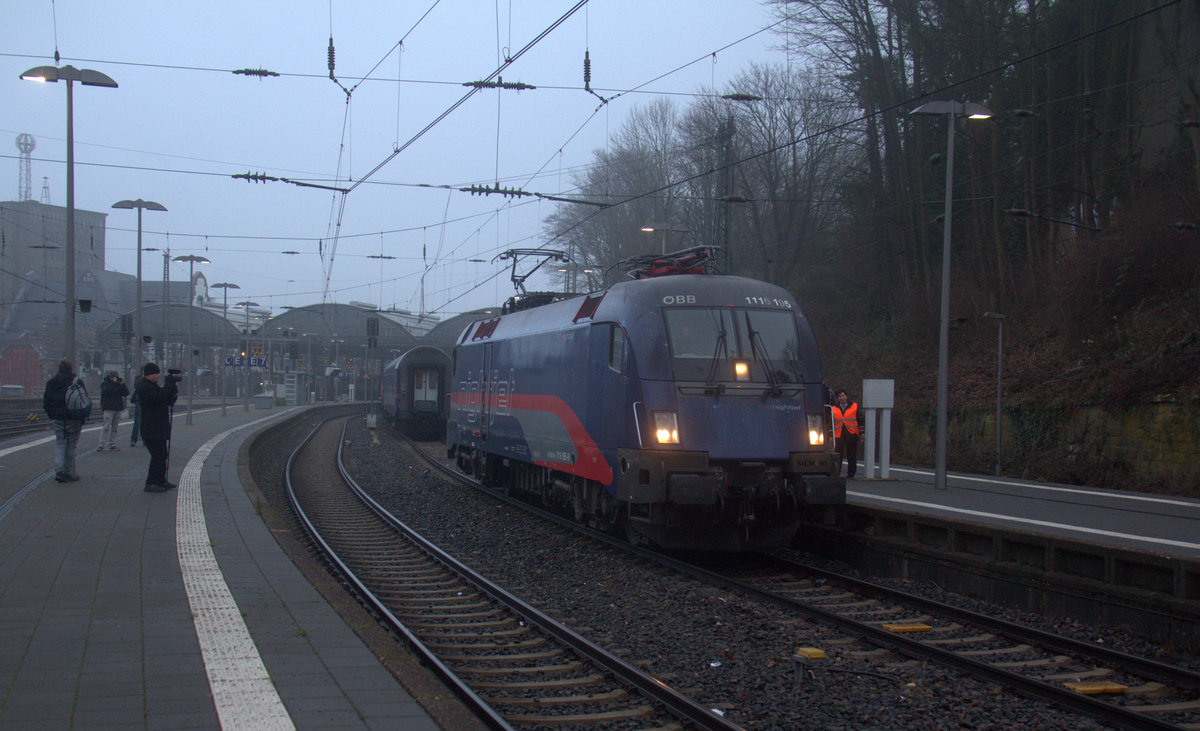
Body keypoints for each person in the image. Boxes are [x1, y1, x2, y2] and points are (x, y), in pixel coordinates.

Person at [136, 362, 179, 492]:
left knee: (162, 454)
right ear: (148, 374)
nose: (157, 376)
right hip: (151, 428)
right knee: (158, 455)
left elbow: (166, 399)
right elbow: (160, 398)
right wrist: (168, 385)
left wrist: (172, 390)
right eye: (155, 373)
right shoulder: (144, 387)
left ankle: (160, 480)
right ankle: (151, 483)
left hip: (158, 427)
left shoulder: (152, 386)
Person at [43, 359, 84, 483]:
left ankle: (59, 471)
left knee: (60, 443)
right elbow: (83, 400)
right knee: (71, 445)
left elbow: (46, 401)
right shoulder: (76, 381)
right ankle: (68, 472)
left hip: (58, 418)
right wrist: (82, 417)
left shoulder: (52, 382)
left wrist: (52, 414)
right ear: (71, 369)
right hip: (73, 417)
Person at [831, 388, 865, 479]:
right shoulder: (833, 409)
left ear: (846, 396)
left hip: (852, 434)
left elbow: (860, 420)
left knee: (852, 455)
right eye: (839, 396)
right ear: (837, 399)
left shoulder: (855, 406)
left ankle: (851, 473)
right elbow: (830, 422)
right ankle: (836, 473)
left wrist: (862, 432)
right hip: (839, 435)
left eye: (843, 396)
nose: (841, 398)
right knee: (838, 455)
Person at [97, 371, 129, 451]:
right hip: (108, 408)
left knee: (115, 427)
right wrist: (113, 383)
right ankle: (101, 444)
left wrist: (122, 384)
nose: (115, 379)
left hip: (117, 408)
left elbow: (126, 393)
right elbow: (106, 391)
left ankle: (112, 443)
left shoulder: (119, 384)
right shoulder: (105, 384)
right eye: (114, 377)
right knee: (106, 426)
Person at [129, 374, 143, 447]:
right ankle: (133, 439)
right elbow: (137, 386)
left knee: (146, 421)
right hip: (139, 400)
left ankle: (145, 440)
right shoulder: (138, 377)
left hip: (147, 400)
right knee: (137, 421)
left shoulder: (151, 378)